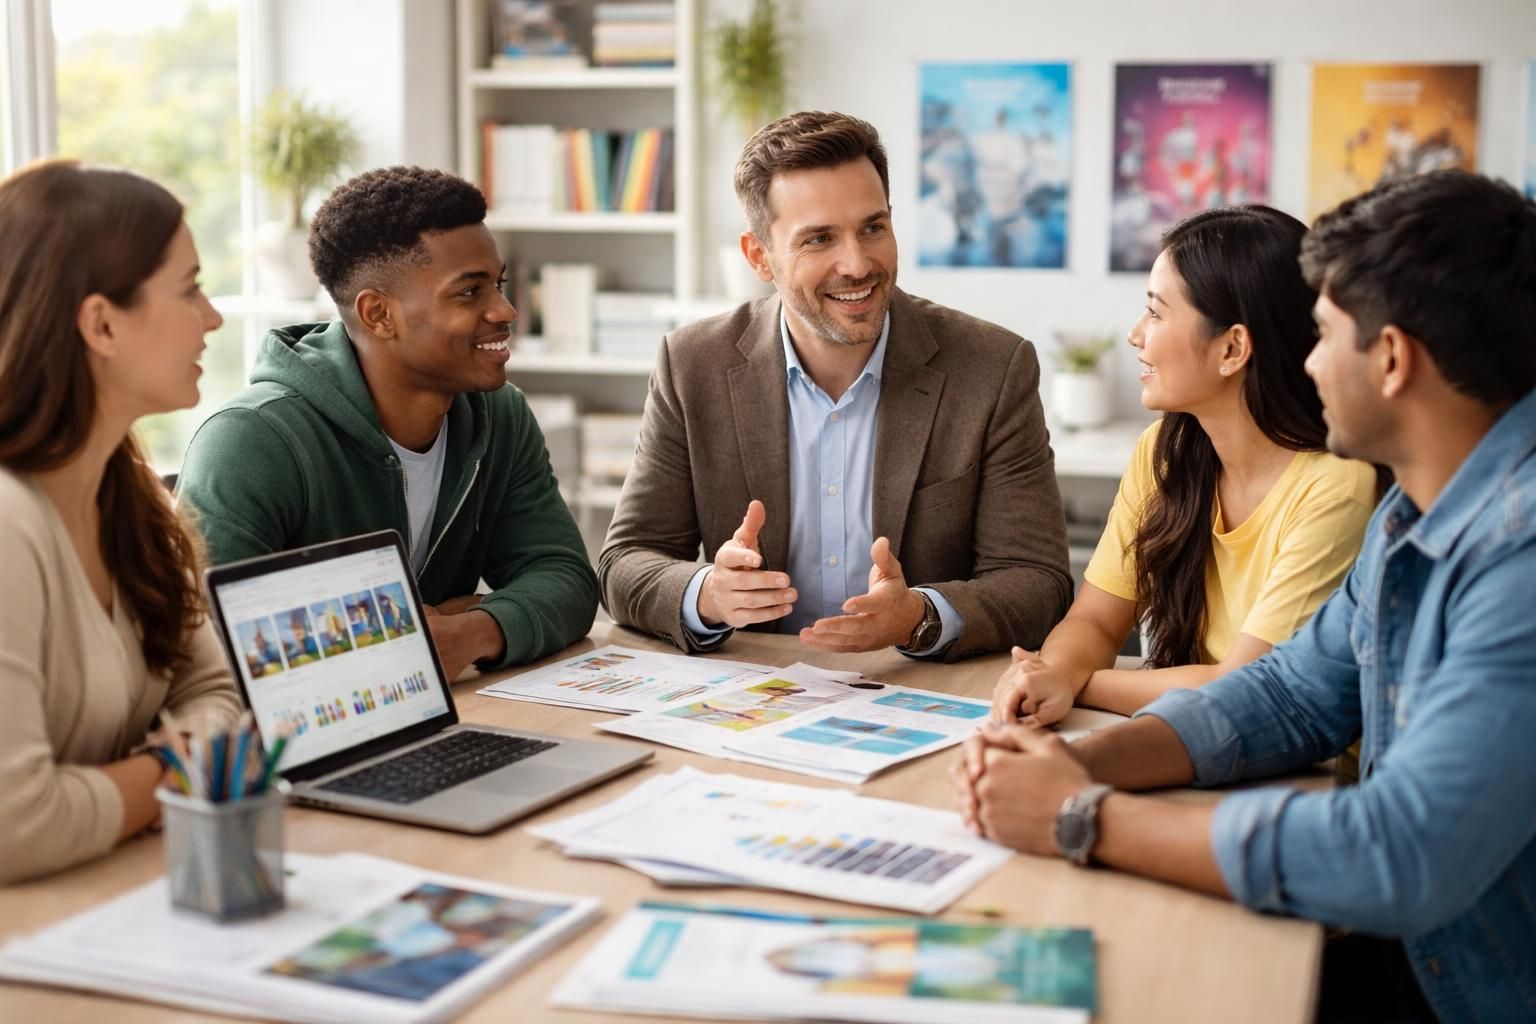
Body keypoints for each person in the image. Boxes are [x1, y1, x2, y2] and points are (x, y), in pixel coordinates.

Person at [953, 170, 1536, 1022]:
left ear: (1392, 360)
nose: (1302, 359)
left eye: (1323, 335)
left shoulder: (1519, 556)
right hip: (1423, 954)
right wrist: (1081, 762)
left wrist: (1081, 816)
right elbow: (1292, 693)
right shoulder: (1418, 511)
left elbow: (1400, 852)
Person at [600, 111, 1071, 661]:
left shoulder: (992, 367)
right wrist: (707, 593)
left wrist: (919, 616)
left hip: (919, 693)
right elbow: (626, 561)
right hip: (752, 695)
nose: (857, 264)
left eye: (873, 228)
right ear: (759, 256)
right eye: (819, 239)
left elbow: (1039, 582)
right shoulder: (691, 365)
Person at [177, 166, 597, 680]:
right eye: (470, 292)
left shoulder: (500, 414)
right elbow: (216, 651)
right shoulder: (249, 441)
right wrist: (419, 625)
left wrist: (467, 632)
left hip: (451, 715)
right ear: (378, 315)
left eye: (499, 284)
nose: (506, 309)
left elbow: (568, 580)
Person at [990, 206, 1377, 727]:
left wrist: (1074, 682)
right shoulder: (1164, 453)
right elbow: (1097, 620)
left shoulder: (1336, 485)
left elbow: (1246, 688)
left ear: (1232, 348)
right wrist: (1051, 671)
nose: (1135, 334)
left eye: (1156, 312)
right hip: (1189, 742)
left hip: (1306, 778)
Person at [0, 161, 241, 884]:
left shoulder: (132, 494)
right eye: (190, 288)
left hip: (104, 883)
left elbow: (218, 692)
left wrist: (135, 782)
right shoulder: (9, 522)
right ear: (102, 322)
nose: (214, 317)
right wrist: (177, 769)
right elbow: (17, 825)